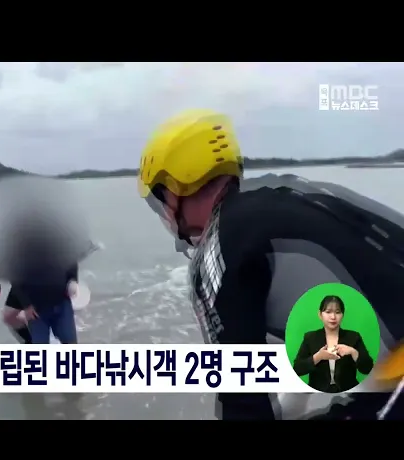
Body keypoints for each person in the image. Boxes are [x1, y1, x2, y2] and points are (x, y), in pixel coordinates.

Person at [137, 108, 404, 420]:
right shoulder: (293, 194)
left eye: (160, 200)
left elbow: (241, 403)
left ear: (174, 189)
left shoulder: (217, 248)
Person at [293, 295, 374, 393]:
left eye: (337, 312)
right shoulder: (310, 337)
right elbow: (297, 369)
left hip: (348, 393)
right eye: (328, 312)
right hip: (318, 393)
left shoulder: (353, 337)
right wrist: (318, 357)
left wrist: (353, 352)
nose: (333, 317)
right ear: (320, 314)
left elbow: (367, 369)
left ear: (342, 315)